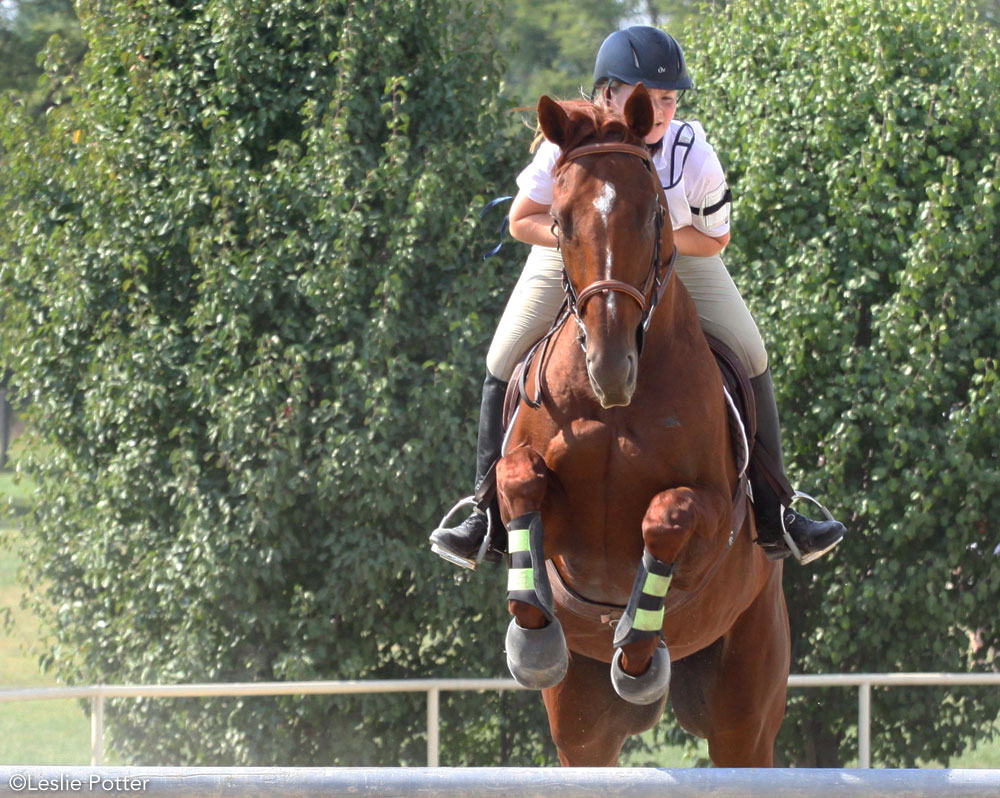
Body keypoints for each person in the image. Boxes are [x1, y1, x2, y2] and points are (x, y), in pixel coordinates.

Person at [430, 25, 845, 569]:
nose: (663, 110)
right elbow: (520, 221)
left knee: (751, 350)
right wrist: (588, 241)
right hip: (575, 253)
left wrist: (651, 242)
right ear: (607, 94)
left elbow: (716, 236)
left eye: (670, 99)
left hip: (678, 257)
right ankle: (482, 513)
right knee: (502, 355)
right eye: (648, 97)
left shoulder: (690, 151)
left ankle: (777, 507)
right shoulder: (571, 138)